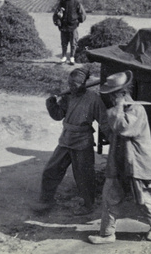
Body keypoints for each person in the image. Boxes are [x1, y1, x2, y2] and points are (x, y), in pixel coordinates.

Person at [88, 71, 151, 244]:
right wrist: (116, 110)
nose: (111, 98)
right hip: (119, 160)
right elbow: (113, 129)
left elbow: (123, 127)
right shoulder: (120, 109)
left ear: (122, 93)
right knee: (110, 195)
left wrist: (118, 108)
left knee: (144, 198)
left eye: (113, 94)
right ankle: (107, 234)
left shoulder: (137, 109)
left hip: (137, 162)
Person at [31, 67, 111, 216]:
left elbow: (104, 122)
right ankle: (46, 200)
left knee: (84, 176)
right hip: (66, 139)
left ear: (84, 84)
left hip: (83, 141)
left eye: (75, 84)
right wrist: (52, 104)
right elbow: (58, 116)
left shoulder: (93, 99)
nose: (71, 87)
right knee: (51, 170)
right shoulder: (68, 97)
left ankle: (88, 205)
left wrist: (114, 141)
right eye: (69, 83)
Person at [53, 0, 86, 65]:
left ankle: (72, 57)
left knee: (73, 43)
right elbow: (56, 13)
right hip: (64, 26)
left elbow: (82, 14)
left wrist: (79, 20)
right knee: (64, 42)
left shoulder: (77, 3)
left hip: (73, 26)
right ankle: (64, 57)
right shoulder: (62, 2)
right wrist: (58, 20)